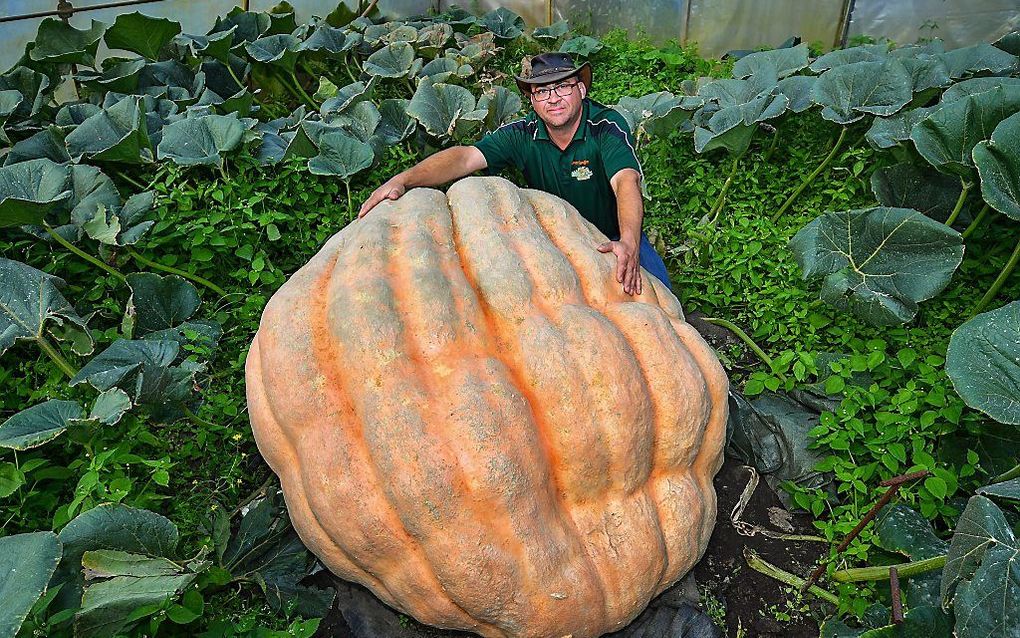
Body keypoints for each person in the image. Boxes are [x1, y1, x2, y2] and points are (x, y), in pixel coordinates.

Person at [357, 52, 670, 296]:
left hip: (612, 235)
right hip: (556, 240)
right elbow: (465, 158)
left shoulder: (605, 126)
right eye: (542, 91)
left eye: (562, 86)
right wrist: (403, 179)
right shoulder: (521, 134)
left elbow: (626, 180)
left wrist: (628, 241)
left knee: (659, 298)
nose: (553, 98)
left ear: (582, 89)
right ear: (532, 100)